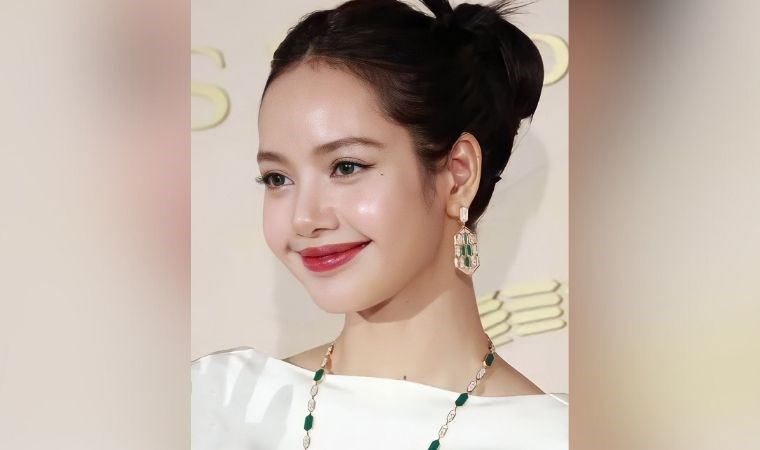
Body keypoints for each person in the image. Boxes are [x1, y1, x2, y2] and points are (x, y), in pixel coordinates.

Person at [192, 0, 567, 448]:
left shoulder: (552, 437)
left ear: (458, 174)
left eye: (346, 167)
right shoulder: (218, 405)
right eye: (278, 178)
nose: (304, 218)